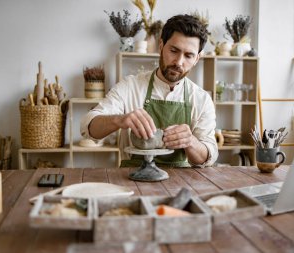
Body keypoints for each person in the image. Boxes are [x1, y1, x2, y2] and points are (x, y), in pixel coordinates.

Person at [81, 14, 218, 167]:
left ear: (197, 59)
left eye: (188, 55)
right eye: (173, 50)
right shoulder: (130, 86)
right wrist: (119, 119)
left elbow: (209, 156)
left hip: (180, 184)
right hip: (132, 180)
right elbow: (89, 127)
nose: (179, 62)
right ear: (161, 46)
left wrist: (190, 141)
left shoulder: (201, 99)